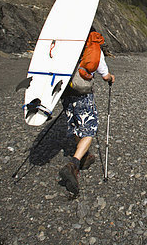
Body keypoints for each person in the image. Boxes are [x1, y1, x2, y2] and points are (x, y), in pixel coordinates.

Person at [59, 28, 115, 196]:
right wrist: (111, 78)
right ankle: (74, 164)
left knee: (76, 125)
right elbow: (103, 73)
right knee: (89, 128)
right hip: (82, 92)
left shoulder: (68, 43)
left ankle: (84, 156)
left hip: (65, 91)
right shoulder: (93, 46)